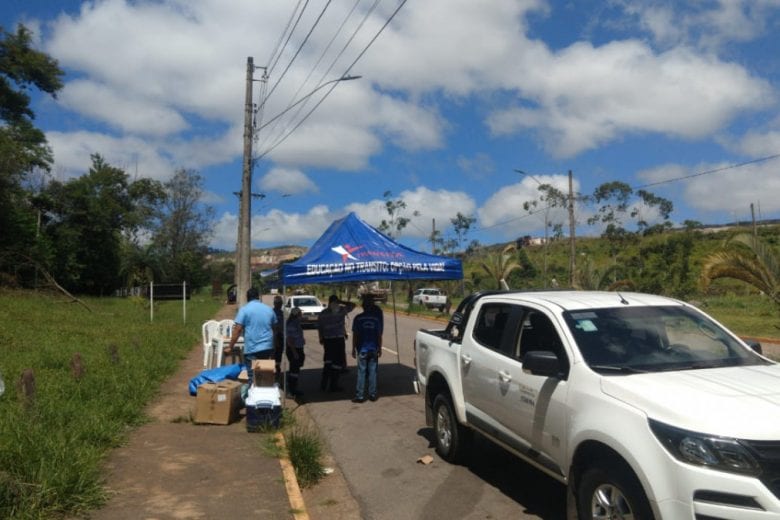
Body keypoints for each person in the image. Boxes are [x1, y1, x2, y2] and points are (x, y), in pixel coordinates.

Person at [227, 287, 277, 385]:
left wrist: (230, 346)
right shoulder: (268, 309)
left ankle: (253, 397)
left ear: (247, 297)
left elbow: (237, 329)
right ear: (258, 297)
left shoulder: (245, 310)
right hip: (267, 348)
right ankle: (263, 397)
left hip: (252, 349)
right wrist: (274, 345)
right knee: (264, 375)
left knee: (252, 377)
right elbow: (275, 329)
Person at [317, 294, 355, 392]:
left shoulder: (323, 313)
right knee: (337, 363)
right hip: (338, 340)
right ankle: (333, 385)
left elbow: (320, 327)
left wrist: (321, 338)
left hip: (328, 340)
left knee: (328, 362)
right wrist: (341, 302)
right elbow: (353, 305)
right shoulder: (341, 311)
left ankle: (323, 384)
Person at [351, 295, 383, 403]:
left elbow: (355, 335)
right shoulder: (376, 319)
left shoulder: (358, 318)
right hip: (373, 348)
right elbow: (379, 335)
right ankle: (372, 394)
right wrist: (380, 348)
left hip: (362, 349)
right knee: (373, 371)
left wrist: (353, 349)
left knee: (361, 372)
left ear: (363, 307)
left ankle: (360, 396)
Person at [284, 307, 306, 398]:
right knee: (294, 370)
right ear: (297, 314)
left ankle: (294, 389)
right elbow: (289, 340)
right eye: (301, 313)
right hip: (294, 349)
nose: (302, 314)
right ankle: (291, 391)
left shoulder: (296, 322)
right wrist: (295, 352)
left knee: (296, 369)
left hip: (298, 348)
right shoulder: (292, 324)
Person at [272, 294, 284, 383]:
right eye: (277, 303)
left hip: (280, 336)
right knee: (273, 355)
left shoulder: (283, 313)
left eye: (280, 303)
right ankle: (274, 372)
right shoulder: (271, 313)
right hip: (273, 337)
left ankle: (278, 370)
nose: (279, 304)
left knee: (279, 355)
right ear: (274, 303)